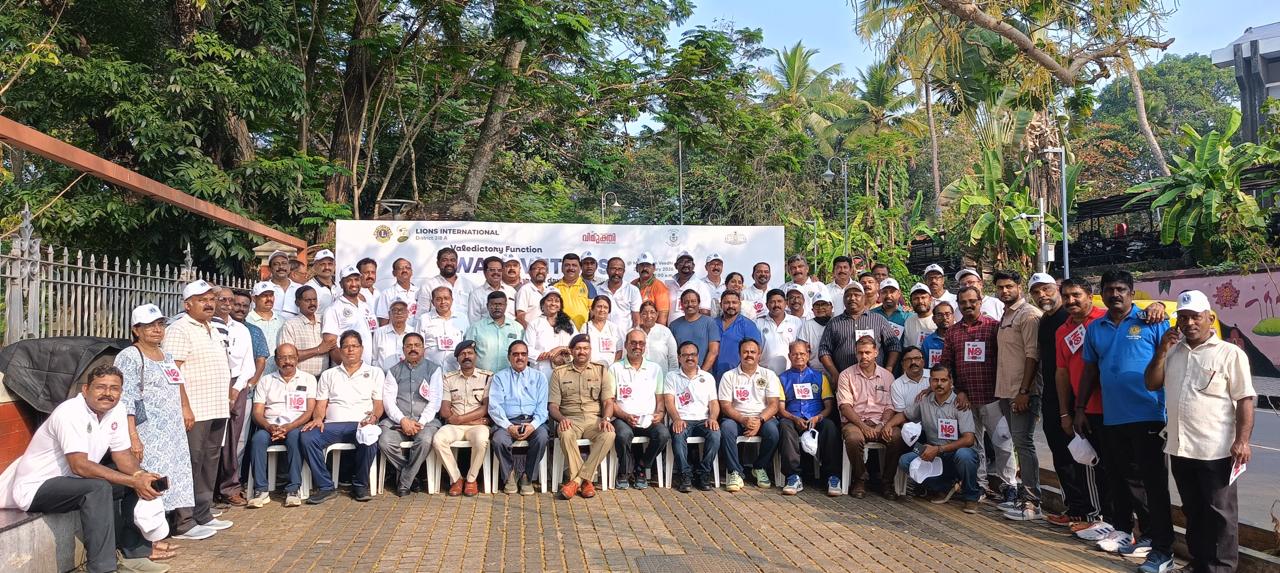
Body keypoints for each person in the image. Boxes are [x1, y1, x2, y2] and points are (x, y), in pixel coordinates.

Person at [0, 366, 168, 573]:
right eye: (101, 387)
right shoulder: (70, 412)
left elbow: (122, 455)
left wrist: (139, 476)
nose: (107, 393)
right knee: (98, 488)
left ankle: (134, 556)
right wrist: (132, 480)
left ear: (121, 392)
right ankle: (102, 568)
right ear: (86, 389)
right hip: (37, 487)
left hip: (75, 482)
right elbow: (79, 465)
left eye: (114, 388)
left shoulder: (117, 410)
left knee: (137, 479)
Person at [1145, 290, 1255, 573]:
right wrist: (1162, 350)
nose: (1189, 323)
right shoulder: (1173, 352)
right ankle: (1199, 563)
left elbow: (1245, 399)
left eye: (1195, 317)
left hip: (1216, 450)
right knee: (1192, 510)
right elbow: (1151, 383)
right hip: (1180, 447)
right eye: (1183, 318)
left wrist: (1242, 441)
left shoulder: (1230, 353)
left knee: (1220, 514)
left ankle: (1221, 568)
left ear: (1210, 318)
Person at [1075, 269, 1173, 559]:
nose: (1115, 294)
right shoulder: (1096, 328)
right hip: (1113, 416)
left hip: (1149, 414)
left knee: (1150, 481)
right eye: (1109, 289)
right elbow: (1090, 370)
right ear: (1102, 293)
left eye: (1120, 289)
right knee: (1120, 476)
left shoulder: (1152, 320)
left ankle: (1154, 537)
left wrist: (1159, 306)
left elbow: (1171, 358)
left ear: (1131, 293)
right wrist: (1079, 408)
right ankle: (1124, 531)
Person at [116, 304, 195, 553]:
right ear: (136, 329)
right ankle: (142, 543)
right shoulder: (130, 356)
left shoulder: (166, 355)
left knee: (165, 482)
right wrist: (133, 437)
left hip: (171, 433)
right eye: (150, 325)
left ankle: (156, 535)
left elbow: (177, 384)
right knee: (147, 482)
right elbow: (126, 399)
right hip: (147, 432)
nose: (157, 329)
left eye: (160, 324)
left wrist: (185, 407)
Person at [163, 280, 233, 539]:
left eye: (211, 299)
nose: (209, 303)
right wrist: (184, 406)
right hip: (195, 410)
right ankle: (183, 522)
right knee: (190, 463)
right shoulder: (179, 329)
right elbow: (173, 372)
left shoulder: (213, 327)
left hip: (215, 407)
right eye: (202, 299)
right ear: (187, 304)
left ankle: (203, 513)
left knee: (209, 461)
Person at [941, 286, 1016, 503]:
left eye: (972, 301)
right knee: (974, 446)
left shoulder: (993, 327)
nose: (968, 305)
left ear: (980, 301)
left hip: (993, 398)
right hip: (966, 401)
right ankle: (980, 485)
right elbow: (946, 364)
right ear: (958, 305)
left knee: (1003, 443)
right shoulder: (953, 332)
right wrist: (959, 391)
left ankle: (1009, 485)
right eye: (963, 302)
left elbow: (1005, 360)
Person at [1030, 272, 1092, 527]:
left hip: (1078, 398)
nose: (1042, 295)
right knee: (1061, 454)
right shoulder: (1046, 321)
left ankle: (1090, 512)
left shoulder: (1073, 319)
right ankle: (1075, 508)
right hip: (1053, 397)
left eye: (1046, 289)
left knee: (1082, 456)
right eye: (1036, 292)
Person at [1055, 279, 1113, 540]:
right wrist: (1065, 412)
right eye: (1066, 296)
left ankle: (1116, 522)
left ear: (1090, 295)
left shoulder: (1106, 319)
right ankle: (1096, 518)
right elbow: (1062, 373)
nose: (1071, 301)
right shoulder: (1062, 331)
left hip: (1115, 409)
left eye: (1076, 295)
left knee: (1116, 469)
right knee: (1091, 465)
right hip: (1084, 410)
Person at [301, 330, 384, 504]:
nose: (350, 350)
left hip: (360, 424)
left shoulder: (375, 372)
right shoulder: (329, 374)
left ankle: (360, 485)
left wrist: (374, 417)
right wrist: (318, 418)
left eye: (354, 346)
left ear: (362, 349)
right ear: (340, 350)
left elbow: (378, 404)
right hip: (333, 425)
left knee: (370, 436)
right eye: (346, 346)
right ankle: (325, 486)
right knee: (307, 436)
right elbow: (321, 404)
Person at [886, 364, 981, 514]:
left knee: (965, 455)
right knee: (905, 460)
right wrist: (888, 425)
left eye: (943, 380)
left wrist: (939, 449)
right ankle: (942, 487)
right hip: (931, 449)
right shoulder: (924, 400)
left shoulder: (960, 403)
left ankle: (971, 497)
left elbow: (969, 439)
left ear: (951, 381)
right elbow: (904, 415)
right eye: (935, 380)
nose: (939, 384)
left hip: (954, 452)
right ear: (930, 382)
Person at [991, 270, 1044, 521]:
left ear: (1019, 287)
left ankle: (1032, 503)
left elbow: (1033, 355)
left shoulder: (1029, 315)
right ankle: (1024, 498)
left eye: (1009, 286)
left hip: (1022, 393)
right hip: (1005, 390)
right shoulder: (1006, 315)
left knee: (1024, 444)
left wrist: (1024, 391)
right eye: (1000, 287)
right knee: (1017, 444)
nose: (1004, 291)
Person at [246, 343, 316, 508]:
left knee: (295, 438)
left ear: (297, 359)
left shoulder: (308, 379)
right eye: (283, 358)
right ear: (276, 361)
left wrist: (290, 426)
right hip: (270, 425)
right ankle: (261, 491)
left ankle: (293, 490)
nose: (287, 361)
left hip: (296, 425)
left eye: (291, 357)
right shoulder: (266, 381)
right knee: (257, 440)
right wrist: (268, 427)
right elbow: (257, 413)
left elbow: (309, 412)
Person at [550, 335, 616, 500]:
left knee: (609, 434)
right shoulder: (559, 373)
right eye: (578, 348)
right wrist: (561, 419)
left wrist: (606, 419)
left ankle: (576, 481)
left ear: (590, 351)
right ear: (572, 351)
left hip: (594, 419)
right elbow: (553, 406)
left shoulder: (600, 370)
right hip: (570, 419)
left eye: (585, 348)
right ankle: (586, 482)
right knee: (565, 433)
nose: (582, 352)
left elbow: (608, 402)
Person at [377, 332, 442, 497]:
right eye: (409, 346)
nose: (413, 348)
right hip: (398, 421)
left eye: (417, 345)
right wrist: (403, 420)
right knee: (385, 441)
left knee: (425, 440)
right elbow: (389, 402)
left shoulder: (434, 370)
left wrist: (421, 422)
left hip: (425, 422)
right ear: (403, 349)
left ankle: (405, 480)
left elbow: (435, 401)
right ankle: (413, 476)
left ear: (423, 348)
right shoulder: (394, 371)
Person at [836, 336, 902, 499]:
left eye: (867, 352)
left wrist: (882, 425)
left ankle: (887, 483)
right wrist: (863, 426)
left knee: (897, 436)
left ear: (876, 353)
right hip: (855, 422)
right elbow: (845, 407)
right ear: (855, 353)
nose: (864, 356)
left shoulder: (887, 376)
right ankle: (860, 479)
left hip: (881, 422)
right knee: (853, 438)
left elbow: (890, 406)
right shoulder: (846, 375)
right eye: (860, 353)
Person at [607, 330, 671, 489]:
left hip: (648, 419)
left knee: (663, 434)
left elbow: (660, 399)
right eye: (633, 343)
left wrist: (660, 413)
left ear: (645, 346)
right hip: (622, 419)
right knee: (623, 434)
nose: (637, 346)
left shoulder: (655, 369)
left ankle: (641, 467)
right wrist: (625, 415)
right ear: (626, 345)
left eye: (641, 343)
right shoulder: (615, 368)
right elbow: (610, 401)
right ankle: (623, 471)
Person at [717, 339, 782, 492]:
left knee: (773, 432)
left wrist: (759, 421)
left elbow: (774, 404)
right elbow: (725, 405)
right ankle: (735, 472)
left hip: (763, 418)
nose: (749, 355)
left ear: (759, 355)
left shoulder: (769, 375)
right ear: (739, 354)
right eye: (745, 352)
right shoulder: (729, 376)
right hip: (736, 418)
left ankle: (759, 467)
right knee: (726, 429)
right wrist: (743, 419)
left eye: (753, 352)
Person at [777, 341, 841, 497]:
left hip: (816, 419)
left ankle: (832, 476)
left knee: (830, 426)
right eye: (795, 354)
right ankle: (793, 476)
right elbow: (780, 408)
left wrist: (818, 417)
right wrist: (794, 418)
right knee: (784, 425)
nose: (798, 357)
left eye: (802, 353)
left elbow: (829, 406)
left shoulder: (820, 377)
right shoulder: (782, 378)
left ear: (808, 355)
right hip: (792, 418)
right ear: (789, 356)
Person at [488, 341, 550, 495]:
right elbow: (495, 407)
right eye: (515, 354)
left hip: (533, 421)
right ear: (509, 357)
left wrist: (532, 426)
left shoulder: (539, 377)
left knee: (542, 437)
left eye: (523, 354)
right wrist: (509, 426)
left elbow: (542, 409)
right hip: (508, 421)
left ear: (528, 357)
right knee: (499, 440)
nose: (520, 357)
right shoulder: (499, 377)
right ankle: (509, 475)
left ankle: (527, 477)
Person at [435, 341, 493, 496]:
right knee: (438, 440)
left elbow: (485, 408)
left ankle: (471, 480)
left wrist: (461, 419)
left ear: (476, 356)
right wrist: (467, 420)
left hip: (476, 426)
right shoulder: (448, 378)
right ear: (457, 358)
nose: (467, 356)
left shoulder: (487, 377)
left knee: (481, 440)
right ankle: (456, 479)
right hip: (456, 426)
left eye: (470, 353)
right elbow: (445, 410)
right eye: (462, 354)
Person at [664, 342, 722, 493]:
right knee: (678, 434)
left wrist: (713, 418)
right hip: (682, 419)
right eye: (685, 355)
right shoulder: (671, 376)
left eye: (693, 355)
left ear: (698, 356)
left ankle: (703, 473)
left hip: (703, 420)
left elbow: (714, 403)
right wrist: (676, 419)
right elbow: (669, 402)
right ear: (679, 358)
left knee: (715, 434)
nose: (690, 358)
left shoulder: (707, 377)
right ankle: (685, 475)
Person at [819, 282, 901, 381]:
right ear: (843, 299)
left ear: (864, 298)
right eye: (848, 295)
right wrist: (834, 374)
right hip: (845, 381)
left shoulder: (878, 320)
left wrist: (888, 370)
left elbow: (894, 345)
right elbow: (824, 350)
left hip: (876, 380)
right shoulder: (834, 323)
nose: (852, 298)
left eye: (857, 295)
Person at [320, 265, 378, 366]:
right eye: (349, 280)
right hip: (346, 370)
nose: (354, 284)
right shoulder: (333, 309)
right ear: (341, 284)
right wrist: (349, 368)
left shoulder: (366, 306)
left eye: (356, 279)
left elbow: (373, 334)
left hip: (367, 368)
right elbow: (331, 345)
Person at [464, 291, 525, 373]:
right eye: (493, 304)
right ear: (487, 306)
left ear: (506, 305)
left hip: (510, 376)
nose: (497, 307)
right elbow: (468, 353)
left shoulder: (517, 328)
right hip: (483, 376)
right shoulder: (475, 328)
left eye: (500, 304)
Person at [280, 286, 332, 377]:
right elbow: (287, 356)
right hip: (301, 379)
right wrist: (318, 350)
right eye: (307, 300)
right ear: (297, 303)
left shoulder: (324, 320)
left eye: (314, 299)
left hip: (324, 378)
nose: (312, 303)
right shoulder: (290, 325)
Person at [525, 291, 577, 377]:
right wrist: (550, 355)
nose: (553, 303)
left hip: (566, 372)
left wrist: (560, 349)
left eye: (557, 301)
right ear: (542, 304)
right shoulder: (534, 323)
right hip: (542, 372)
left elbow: (577, 344)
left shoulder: (568, 323)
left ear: (560, 306)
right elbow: (527, 350)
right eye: (549, 300)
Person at [669, 289, 721, 374]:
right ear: (681, 304)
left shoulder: (710, 323)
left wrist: (701, 373)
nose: (690, 304)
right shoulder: (674, 325)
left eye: (693, 301)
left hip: (704, 375)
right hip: (680, 375)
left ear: (699, 303)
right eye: (686, 302)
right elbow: (672, 354)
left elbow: (714, 351)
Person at [420, 285, 470, 372]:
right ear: (432, 302)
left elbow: (467, 345)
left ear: (452, 300)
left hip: (456, 371)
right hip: (430, 371)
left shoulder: (462, 318)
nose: (443, 302)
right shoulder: (424, 319)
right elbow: (418, 345)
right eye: (438, 299)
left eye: (446, 298)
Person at [713, 291, 762, 380]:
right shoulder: (712, 323)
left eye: (734, 302)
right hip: (712, 375)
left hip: (738, 377)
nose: (731, 306)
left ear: (740, 304)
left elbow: (756, 352)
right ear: (721, 305)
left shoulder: (748, 325)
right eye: (727, 303)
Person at [418, 247, 475, 319]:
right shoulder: (428, 286)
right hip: (436, 325)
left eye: (452, 260)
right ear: (438, 263)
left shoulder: (468, 285)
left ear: (457, 263)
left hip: (463, 325)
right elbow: (422, 314)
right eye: (444, 260)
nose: (449, 263)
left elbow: (473, 313)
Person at [756, 288, 803, 375]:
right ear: (767, 305)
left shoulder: (796, 322)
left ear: (786, 303)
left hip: (790, 374)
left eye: (779, 301)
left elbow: (800, 348)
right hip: (764, 373)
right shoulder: (758, 323)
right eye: (772, 302)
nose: (776, 305)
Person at [246, 281, 285, 373]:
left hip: (277, 373)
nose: (269, 299)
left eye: (271, 295)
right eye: (264, 296)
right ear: (254, 298)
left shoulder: (282, 321)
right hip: (254, 372)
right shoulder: (247, 320)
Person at [372, 296, 419, 369]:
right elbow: (374, 358)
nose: (399, 313)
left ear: (407, 313)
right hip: (383, 374)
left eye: (402, 310)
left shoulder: (414, 332)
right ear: (389, 314)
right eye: (395, 310)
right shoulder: (379, 332)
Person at [551, 253, 596, 329]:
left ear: (580, 268)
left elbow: (594, 312)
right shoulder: (553, 287)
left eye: (574, 265)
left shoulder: (588, 286)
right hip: (558, 331)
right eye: (567, 265)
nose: (571, 268)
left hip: (582, 331)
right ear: (562, 268)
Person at [468, 256, 517, 324]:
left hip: (511, 329)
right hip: (486, 330)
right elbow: (474, 321)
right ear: (485, 272)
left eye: (499, 270)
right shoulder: (476, 294)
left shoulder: (511, 291)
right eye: (492, 270)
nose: (496, 272)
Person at [665, 251, 712, 321]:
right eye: (681, 262)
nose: (686, 265)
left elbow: (705, 313)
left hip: (692, 327)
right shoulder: (668, 285)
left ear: (693, 266)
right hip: (670, 327)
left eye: (688, 262)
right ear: (676, 266)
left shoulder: (700, 285)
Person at [889, 347, 930, 425]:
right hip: (911, 427)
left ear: (923, 361)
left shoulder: (934, 377)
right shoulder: (897, 385)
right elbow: (900, 415)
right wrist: (911, 429)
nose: (913, 362)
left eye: (917, 358)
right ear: (902, 364)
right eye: (908, 359)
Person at [796, 291, 835, 372]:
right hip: (814, 371)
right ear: (812, 309)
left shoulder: (838, 323)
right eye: (817, 305)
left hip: (836, 369)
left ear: (831, 307)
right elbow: (802, 349)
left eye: (824, 304)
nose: (820, 308)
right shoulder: (807, 325)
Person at [599, 256, 641, 330]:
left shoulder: (633, 290)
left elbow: (636, 319)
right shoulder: (598, 290)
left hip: (625, 336)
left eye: (620, 269)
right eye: (613, 269)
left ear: (624, 271)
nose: (616, 273)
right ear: (607, 270)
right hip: (603, 334)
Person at [375, 258, 420, 324]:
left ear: (411, 272)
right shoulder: (387, 293)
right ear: (394, 273)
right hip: (397, 330)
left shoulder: (419, 291)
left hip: (417, 330)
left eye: (407, 268)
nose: (404, 270)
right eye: (400, 268)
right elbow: (383, 322)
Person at [637, 300, 678, 372]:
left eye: (652, 312)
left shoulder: (665, 332)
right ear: (640, 315)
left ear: (657, 314)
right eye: (644, 313)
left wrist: (672, 376)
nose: (649, 316)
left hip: (661, 376)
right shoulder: (634, 332)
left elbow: (673, 359)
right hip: (638, 376)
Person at [515, 258, 555, 327]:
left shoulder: (549, 289)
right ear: (529, 272)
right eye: (537, 268)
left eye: (543, 268)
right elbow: (520, 317)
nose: (540, 271)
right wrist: (530, 331)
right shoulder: (525, 290)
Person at [585, 296, 625, 366]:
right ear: (593, 308)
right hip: (590, 368)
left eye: (605, 307)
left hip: (610, 369)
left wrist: (613, 368)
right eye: (599, 306)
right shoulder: (586, 327)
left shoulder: (614, 328)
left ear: (609, 311)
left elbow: (619, 351)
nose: (602, 310)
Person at [633, 252, 671, 324]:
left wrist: (657, 331)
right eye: (642, 265)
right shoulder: (632, 285)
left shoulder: (660, 287)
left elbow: (662, 318)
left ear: (654, 268)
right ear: (637, 268)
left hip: (650, 329)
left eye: (648, 265)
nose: (644, 268)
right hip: (633, 327)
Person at [265, 250, 302, 318]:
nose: (281, 267)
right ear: (269, 269)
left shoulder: (299, 288)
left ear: (289, 267)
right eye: (276, 264)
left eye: (284, 263)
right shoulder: (263, 289)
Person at [304, 249, 340, 314]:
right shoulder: (308, 288)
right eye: (322, 264)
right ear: (315, 266)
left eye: (330, 264)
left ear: (334, 265)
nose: (327, 267)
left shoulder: (340, 286)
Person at [902, 283, 936, 350]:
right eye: (916, 298)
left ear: (930, 299)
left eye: (923, 297)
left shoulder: (940, 319)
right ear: (911, 302)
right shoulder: (909, 321)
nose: (920, 301)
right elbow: (907, 348)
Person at [922, 302, 951, 369]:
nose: (944, 318)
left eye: (948, 314)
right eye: (939, 315)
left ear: (953, 316)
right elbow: (925, 367)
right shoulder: (927, 342)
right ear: (934, 319)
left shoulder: (960, 338)